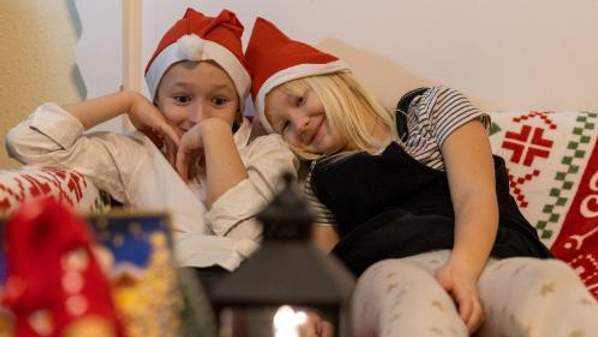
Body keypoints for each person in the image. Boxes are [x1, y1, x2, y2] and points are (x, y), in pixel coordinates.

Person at [243, 17, 598, 337]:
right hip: (384, 274)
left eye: (301, 100)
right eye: (284, 125)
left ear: (333, 81)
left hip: (485, 257)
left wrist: (462, 269)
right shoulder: (315, 181)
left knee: (550, 283)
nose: (300, 122)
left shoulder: (431, 109)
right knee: (413, 300)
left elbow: (475, 194)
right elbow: (322, 260)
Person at [5, 9, 298, 272]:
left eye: (219, 101)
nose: (199, 117)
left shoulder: (268, 152)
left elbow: (247, 243)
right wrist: (127, 101)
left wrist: (215, 135)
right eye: (181, 99)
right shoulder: (136, 154)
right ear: (157, 101)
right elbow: (27, 143)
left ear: (238, 107)